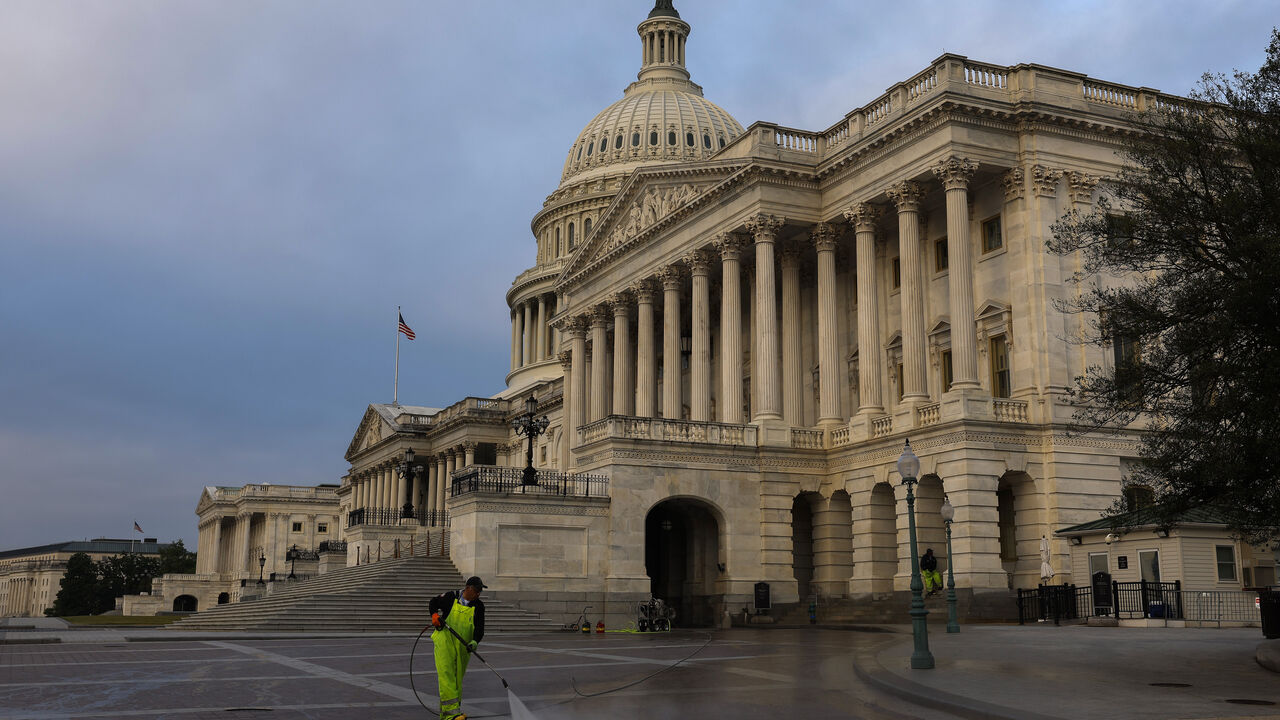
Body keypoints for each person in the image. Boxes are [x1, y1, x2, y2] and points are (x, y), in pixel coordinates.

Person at [429, 576, 487, 720]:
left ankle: (450, 713)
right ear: (468, 588)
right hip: (445, 643)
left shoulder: (479, 606)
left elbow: (479, 628)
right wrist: (435, 615)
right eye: (477, 590)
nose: (479, 594)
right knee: (446, 677)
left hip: (463, 647)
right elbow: (433, 602)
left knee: (456, 681)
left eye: (480, 591)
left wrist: (474, 641)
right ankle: (452, 716)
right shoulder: (451, 597)